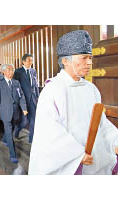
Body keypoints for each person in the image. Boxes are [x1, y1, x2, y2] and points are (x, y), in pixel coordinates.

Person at [28, 30, 118, 175]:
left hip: (95, 157)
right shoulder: (53, 89)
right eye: (83, 58)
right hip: (71, 161)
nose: (89, 62)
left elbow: (101, 123)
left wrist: (115, 140)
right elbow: (49, 132)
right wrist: (77, 155)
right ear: (65, 61)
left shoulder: (91, 89)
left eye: (90, 58)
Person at [0, 64, 28, 163]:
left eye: (12, 70)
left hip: (15, 111)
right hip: (5, 112)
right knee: (9, 132)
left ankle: (5, 139)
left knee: (12, 127)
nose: (11, 72)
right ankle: (13, 155)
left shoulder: (16, 82)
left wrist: (24, 108)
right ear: (3, 72)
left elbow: (21, 96)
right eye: (8, 70)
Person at [14, 53, 39, 143]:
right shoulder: (18, 72)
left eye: (31, 60)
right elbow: (16, 87)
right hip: (23, 100)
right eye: (28, 60)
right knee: (24, 121)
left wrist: (37, 96)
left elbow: (35, 85)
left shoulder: (33, 71)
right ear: (23, 61)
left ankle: (31, 139)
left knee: (33, 120)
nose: (30, 62)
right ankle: (17, 131)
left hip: (32, 99)